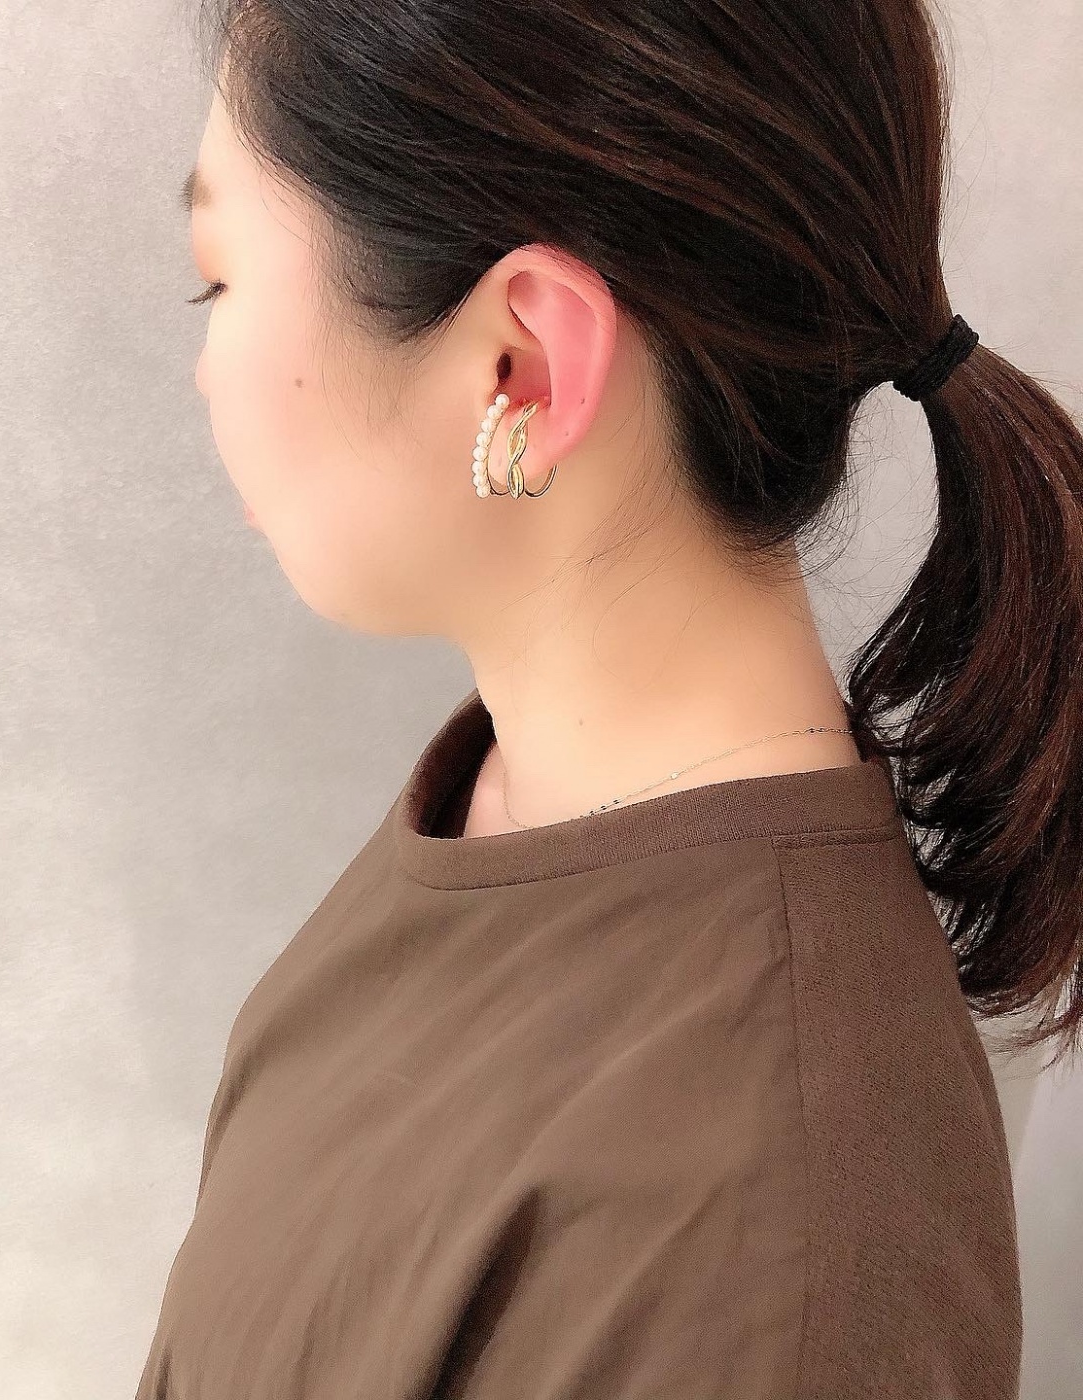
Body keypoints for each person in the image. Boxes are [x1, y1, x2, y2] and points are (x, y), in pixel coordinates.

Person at [141, 1, 1083, 1395]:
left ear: (524, 364)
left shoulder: (773, 1251)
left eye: (218, 282)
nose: (205, 363)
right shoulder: (511, 799)